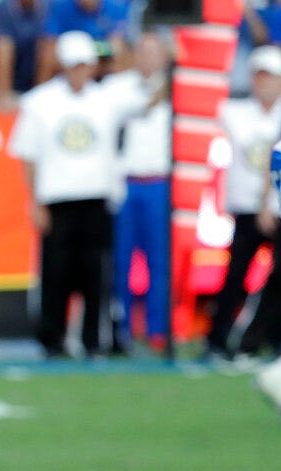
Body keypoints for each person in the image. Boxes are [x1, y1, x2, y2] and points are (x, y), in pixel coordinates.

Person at [8, 30, 146, 357]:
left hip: (96, 198)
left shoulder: (108, 98)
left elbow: (147, 99)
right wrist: (35, 201)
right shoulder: (39, 102)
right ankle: (52, 339)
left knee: (95, 274)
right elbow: (28, 156)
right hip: (57, 199)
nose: (80, 72)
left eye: (85, 65)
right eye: (74, 65)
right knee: (56, 274)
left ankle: (92, 340)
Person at [206, 46, 281, 361]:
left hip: (277, 207)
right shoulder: (235, 111)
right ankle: (219, 338)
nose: (267, 84)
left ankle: (268, 338)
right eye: (261, 77)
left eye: (273, 78)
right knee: (235, 275)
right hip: (248, 206)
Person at [105, 31, 171, 353]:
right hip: (125, 182)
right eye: (143, 51)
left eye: (154, 52)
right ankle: (123, 328)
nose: (148, 59)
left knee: (160, 260)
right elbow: (130, 112)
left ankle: (160, 328)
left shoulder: (178, 88)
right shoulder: (118, 88)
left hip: (160, 182)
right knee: (121, 259)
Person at [37, 0, 130, 81]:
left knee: (121, 52)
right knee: (47, 54)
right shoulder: (60, 5)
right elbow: (50, 43)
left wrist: (92, 52)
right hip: (68, 58)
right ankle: (41, 93)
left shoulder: (116, 6)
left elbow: (116, 45)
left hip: (101, 59)